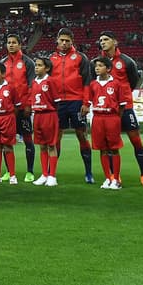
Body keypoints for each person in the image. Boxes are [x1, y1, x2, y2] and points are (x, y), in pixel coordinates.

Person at [98, 31, 143, 187]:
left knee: (137, 142)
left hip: (126, 108)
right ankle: (115, 176)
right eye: (101, 40)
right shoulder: (97, 62)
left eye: (106, 39)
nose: (103, 42)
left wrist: (123, 97)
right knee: (109, 145)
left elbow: (133, 82)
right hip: (108, 111)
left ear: (115, 41)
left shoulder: (127, 61)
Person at [50, 29, 95, 183]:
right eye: (61, 40)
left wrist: (86, 103)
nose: (64, 43)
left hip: (76, 101)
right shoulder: (51, 58)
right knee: (56, 137)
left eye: (67, 41)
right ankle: (52, 174)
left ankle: (89, 173)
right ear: (57, 40)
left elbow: (87, 82)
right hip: (58, 102)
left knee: (82, 135)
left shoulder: (81, 58)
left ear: (72, 41)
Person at [87, 56, 132, 189]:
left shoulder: (116, 84)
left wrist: (116, 117)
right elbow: (91, 101)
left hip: (112, 118)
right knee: (102, 149)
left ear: (108, 68)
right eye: (96, 66)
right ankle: (108, 178)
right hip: (97, 118)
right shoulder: (93, 84)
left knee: (114, 149)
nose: (97, 68)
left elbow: (122, 105)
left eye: (100, 65)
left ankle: (116, 179)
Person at [0, 33, 37, 182]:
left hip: (23, 109)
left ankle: (30, 171)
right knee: (6, 141)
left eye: (14, 42)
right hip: (8, 110)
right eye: (9, 42)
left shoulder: (28, 63)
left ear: (20, 45)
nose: (11, 45)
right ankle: (9, 171)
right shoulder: (3, 63)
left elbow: (31, 85)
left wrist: (28, 105)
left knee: (28, 139)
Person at [29, 57, 59, 187]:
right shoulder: (34, 82)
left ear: (47, 68)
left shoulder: (51, 81)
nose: (36, 67)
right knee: (41, 145)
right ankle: (44, 174)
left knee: (51, 146)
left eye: (40, 65)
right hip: (37, 116)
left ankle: (52, 175)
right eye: (36, 65)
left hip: (49, 115)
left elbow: (56, 102)